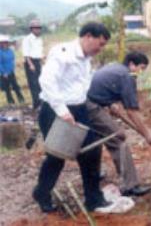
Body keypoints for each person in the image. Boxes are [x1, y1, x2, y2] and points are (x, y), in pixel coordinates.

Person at [33, 22, 113, 213]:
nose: (100, 49)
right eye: (100, 44)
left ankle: (93, 199)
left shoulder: (86, 59)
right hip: (56, 111)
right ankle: (42, 193)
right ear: (87, 36)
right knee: (57, 157)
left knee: (91, 152)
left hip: (79, 109)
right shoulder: (63, 53)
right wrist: (62, 111)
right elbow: (46, 81)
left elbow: (81, 88)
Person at [86, 52, 151, 197]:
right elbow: (132, 111)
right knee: (118, 137)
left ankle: (94, 174)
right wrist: (147, 134)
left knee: (97, 138)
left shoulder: (116, 67)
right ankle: (130, 186)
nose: (140, 73)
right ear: (131, 64)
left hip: (85, 101)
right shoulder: (127, 76)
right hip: (89, 106)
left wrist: (110, 103)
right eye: (140, 68)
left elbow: (102, 86)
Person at [22, 19, 44, 110]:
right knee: (33, 84)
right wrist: (31, 64)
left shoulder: (39, 39)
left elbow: (39, 52)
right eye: (36, 28)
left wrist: (42, 61)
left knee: (40, 83)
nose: (38, 30)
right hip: (30, 62)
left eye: (39, 28)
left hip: (37, 62)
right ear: (32, 29)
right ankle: (36, 104)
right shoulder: (27, 39)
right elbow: (26, 54)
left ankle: (41, 102)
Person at [0, 35, 24, 104]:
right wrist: (4, 73)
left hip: (11, 72)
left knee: (16, 86)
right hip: (4, 74)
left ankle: (21, 99)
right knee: (7, 88)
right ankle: (11, 101)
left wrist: (13, 68)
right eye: (3, 43)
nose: (4, 44)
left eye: (6, 42)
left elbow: (12, 59)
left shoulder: (10, 51)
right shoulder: (0, 52)